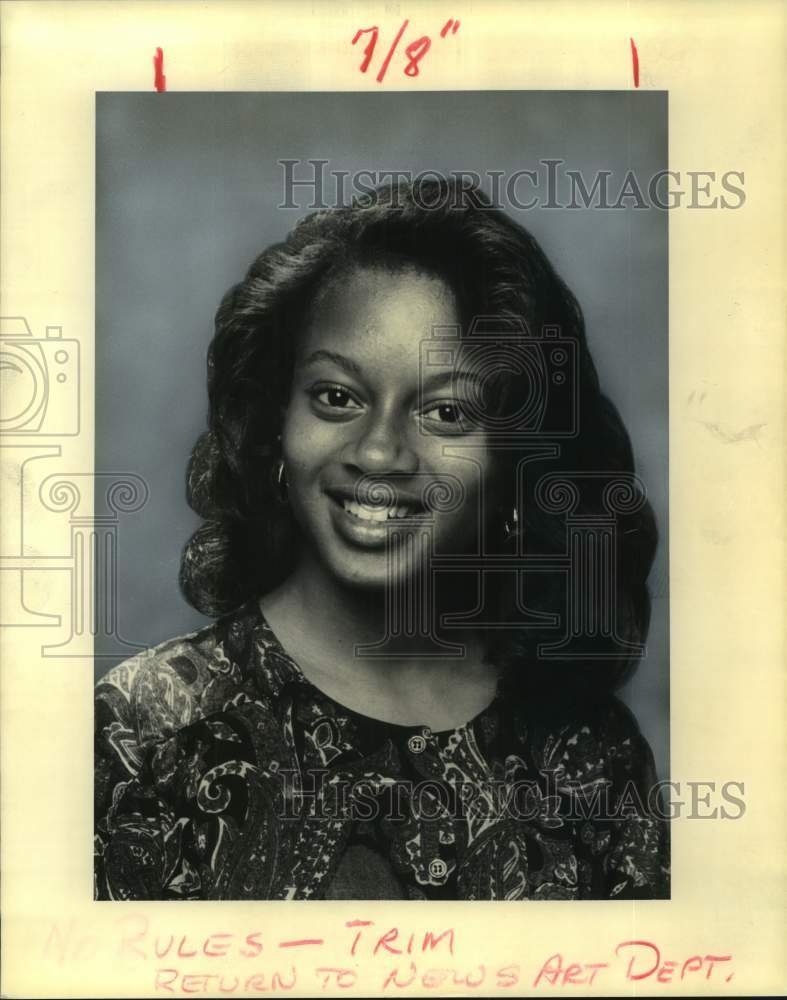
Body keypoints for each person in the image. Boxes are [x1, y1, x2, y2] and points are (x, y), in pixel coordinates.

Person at [94, 178, 669, 901]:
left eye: (446, 413)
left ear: (516, 463)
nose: (376, 453)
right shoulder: (144, 732)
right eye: (337, 397)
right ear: (276, 422)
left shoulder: (589, 755)